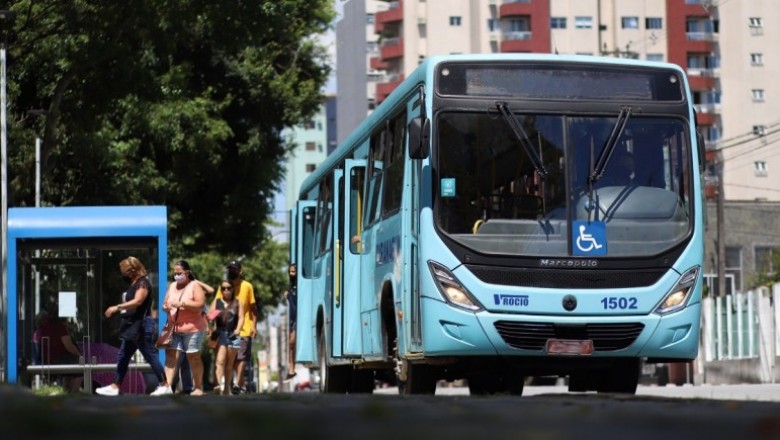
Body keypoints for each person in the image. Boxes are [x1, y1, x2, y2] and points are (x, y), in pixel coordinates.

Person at [96, 256, 169, 396]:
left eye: (125, 271)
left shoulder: (143, 283)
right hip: (132, 326)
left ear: (133, 270)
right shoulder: (135, 283)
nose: (124, 274)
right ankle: (115, 386)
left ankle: (165, 385)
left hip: (141, 325)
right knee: (123, 356)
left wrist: (117, 307)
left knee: (150, 355)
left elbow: (138, 301)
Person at [152, 260, 209, 396]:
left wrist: (182, 304)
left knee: (193, 357)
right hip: (174, 328)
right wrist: (166, 307)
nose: (177, 275)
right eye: (175, 273)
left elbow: (200, 305)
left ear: (187, 272)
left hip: (193, 329)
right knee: (170, 356)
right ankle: (167, 386)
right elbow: (164, 304)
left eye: (180, 273)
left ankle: (198, 387)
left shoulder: (194, 285)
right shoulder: (172, 286)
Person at [214, 260, 257, 394]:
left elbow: (253, 308)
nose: (231, 272)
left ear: (240, 271)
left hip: (244, 328)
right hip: (227, 329)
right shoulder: (224, 286)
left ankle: (237, 385)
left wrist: (254, 326)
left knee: (241, 358)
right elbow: (216, 307)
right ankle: (229, 385)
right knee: (228, 361)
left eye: (234, 269)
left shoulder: (247, 286)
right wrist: (214, 326)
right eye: (230, 269)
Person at [35, 307, 83, 393]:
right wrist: (79, 355)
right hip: (56, 359)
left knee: (70, 366)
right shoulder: (59, 328)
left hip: (45, 360)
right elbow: (69, 346)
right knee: (80, 365)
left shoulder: (41, 330)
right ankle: (73, 393)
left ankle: (66, 391)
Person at [209, 279, 244, 395]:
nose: (226, 290)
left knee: (229, 364)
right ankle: (218, 386)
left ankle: (227, 389)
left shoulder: (237, 303)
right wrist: (213, 316)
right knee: (220, 361)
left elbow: (241, 318)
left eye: (229, 288)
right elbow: (209, 316)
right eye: (223, 288)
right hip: (220, 333)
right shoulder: (217, 302)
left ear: (233, 289)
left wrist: (238, 330)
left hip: (233, 334)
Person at [283, 264, 298, 380]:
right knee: (291, 343)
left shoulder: (301, 286)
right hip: (293, 319)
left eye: (293, 272)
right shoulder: (290, 287)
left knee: (293, 342)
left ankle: (292, 368)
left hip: (300, 318)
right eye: (290, 272)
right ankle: (291, 369)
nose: (291, 274)